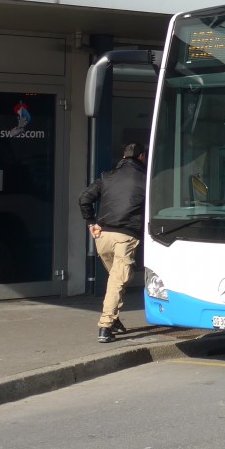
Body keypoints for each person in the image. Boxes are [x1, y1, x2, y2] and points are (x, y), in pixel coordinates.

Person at [78, 142, 146, 343]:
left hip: (103, 237)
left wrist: (91, 222)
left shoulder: (106, 177)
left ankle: (114, 319)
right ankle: (105, 325)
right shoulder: (144, 180)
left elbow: (84, 198)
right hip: (125, 237)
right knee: (117, 281)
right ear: (141, 157)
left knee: (115, 281)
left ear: (123, 158)